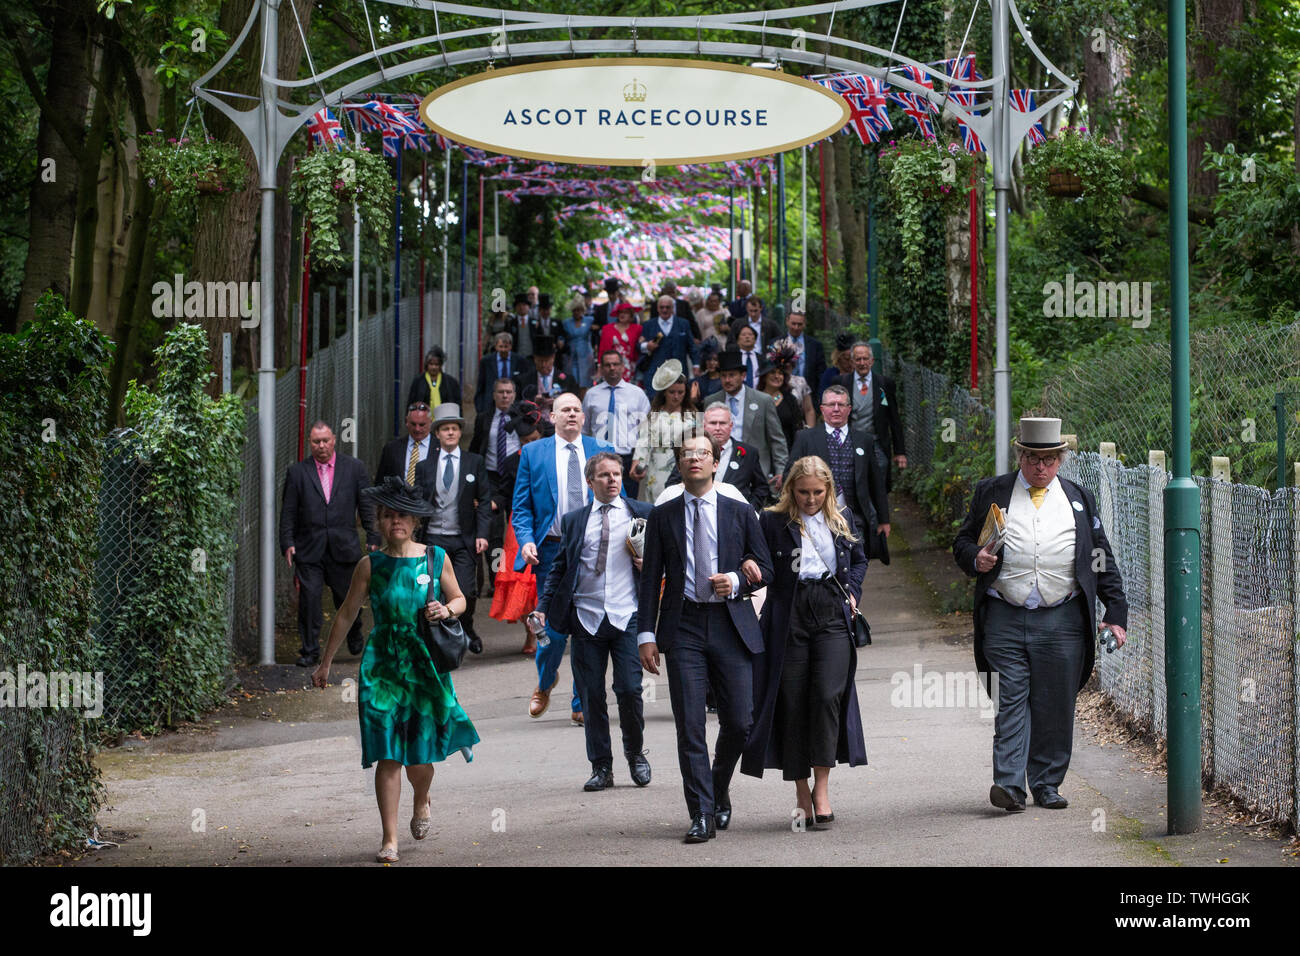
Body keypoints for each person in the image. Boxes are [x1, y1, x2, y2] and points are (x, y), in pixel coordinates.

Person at [953, 417, 1129, 813]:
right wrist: (974, 559)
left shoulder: (1078, 498)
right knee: (1010, 698)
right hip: (1004, 614)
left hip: (1062, 618)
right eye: (1033, 458)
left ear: (1061, 459)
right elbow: (962, 541)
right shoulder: (992, 492)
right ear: (1020, 455)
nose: (1041, 468)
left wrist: (1115, 612)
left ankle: (1047, 783)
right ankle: (1010, 786)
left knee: (1055, 702)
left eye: (1049, 460)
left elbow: (1099, 558)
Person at [311, 476, 478, 863]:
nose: (394, 522)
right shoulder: (371, 564)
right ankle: (389, 839)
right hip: (382, 666)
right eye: (387, 516)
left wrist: (446, 609)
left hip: (423, 665)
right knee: (387, 752)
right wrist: (326, 661)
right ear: (380, 523)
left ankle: (422, 797)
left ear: (414, 521)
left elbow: (460, 600)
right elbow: (347, 612)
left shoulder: (435, 557)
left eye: (402, 516)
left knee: (419, 758)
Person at [637, 431, 773, 843]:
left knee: (740, 721)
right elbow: (650, 579)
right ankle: (701, 813)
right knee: (690, 725)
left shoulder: (739, 510)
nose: (694, 458)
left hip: (731, 624)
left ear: (716, 463)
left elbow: (765, 566)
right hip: (684, 627)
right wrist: (646, 633)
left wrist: (735, 578)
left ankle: (717, 786)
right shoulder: (663, 515)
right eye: (686, 454)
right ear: (679, 466)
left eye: (703, 453)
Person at [742, 456, 868, 827]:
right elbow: (760, 561)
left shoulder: (840, 516)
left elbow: (859, 559)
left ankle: (823, 787)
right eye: (803, 492)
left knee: (828, 695)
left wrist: (853, 591)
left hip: (830, 608)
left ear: (827, 489)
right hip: (789, 612)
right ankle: (801, 787)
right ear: (790, 490)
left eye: (817, 492)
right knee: (792, 701)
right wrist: (750, 567)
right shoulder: (772, 520)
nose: (810, 499)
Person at [537, 452, 654, 791]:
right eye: (604, 475)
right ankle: (601, 766)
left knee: (630, 689)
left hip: (626, 615)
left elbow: (662, 562)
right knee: (591, 695)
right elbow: (559, 567)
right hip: (585, 617)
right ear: (590, 482)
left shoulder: (641, 513)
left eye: (617, 474)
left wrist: (648, 568)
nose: (613, 479)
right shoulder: (574, 520)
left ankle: (636, 754)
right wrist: (544, 606)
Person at [512, 392, 617, 723]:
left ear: (583, 418)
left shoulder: (602, 450)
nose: (571, 414)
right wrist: (526, 541)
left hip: (592, 548)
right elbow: (522, 506)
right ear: (552, 417)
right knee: (552, 630)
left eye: (576, 410)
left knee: (585, 628)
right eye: (564, 410)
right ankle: (545, 681)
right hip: (551, 550)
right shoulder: (532, 453)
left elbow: (619, 498)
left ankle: (580, 701)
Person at [279, 421, 376, 667]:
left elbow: (366, 506)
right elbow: (288, 511)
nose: (321, 446)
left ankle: (354, 630)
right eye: (315, 442)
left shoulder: (354, 468)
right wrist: (287, 542)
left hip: (343, 548)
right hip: (309, 548)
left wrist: (373, 537)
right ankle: (310, 650)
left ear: (334, 440)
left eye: (325, 441)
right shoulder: (298, 473)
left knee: (347, 597)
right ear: (310, 443)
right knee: (310, 600)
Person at [414, 404, 491, 656]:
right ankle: (440, 636)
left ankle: (466, 628)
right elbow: (418, 502)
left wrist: (481, 534)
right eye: (445, 429)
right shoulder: (425, 466)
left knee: (467, 590)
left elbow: (484, 501)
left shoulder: (474, 462)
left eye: (454, 429)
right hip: (433, 538)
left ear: (460, 433)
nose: (449, 433)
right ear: (437, 434)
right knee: (432, 590)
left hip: (463, 538)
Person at [785, 384, 890, 546]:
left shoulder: (864, 440)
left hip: (856, 518)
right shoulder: (805, 438)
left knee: (858, 566)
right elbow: (789, 478)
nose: (836, 409)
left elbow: (876, 482)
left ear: (849, 409)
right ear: (822, 408)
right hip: (816, 517)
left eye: (841, 405)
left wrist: (884, 519)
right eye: (830, 405)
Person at [489, 403, 551, 655]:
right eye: (525, 441)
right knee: (523, 581)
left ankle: (547, 632)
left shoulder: (553, 455)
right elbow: (504, 491)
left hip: (548, 519)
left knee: (545, 579)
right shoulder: (512, 462)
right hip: (520, 524)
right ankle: (532, 635)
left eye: (534, 440)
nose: (529, 445)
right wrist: (492, 503)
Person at [703, 350, 788, 491]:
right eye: (723, 376)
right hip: (719, 470)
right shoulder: (710, 400)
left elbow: (777, 439)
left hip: (756, 471)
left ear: (743, 375)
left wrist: (781, 471)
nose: (727, 380)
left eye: (732, 375)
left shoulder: (763, 400)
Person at [664, 403, 771, 511]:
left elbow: (761, 487)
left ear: (731, 425)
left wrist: (749, 508)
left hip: (735, 514)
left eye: (723, 423)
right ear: (704, 426)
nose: (718, 428)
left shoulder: (748, 452)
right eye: (713, 423)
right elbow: (672, 483)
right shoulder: (691, 449)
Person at [469, 377, 518, 596]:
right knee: (494, 533)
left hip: (517, 479)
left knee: (516, 531)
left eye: (508, 392)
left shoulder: (520, 418)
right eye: (501, 392)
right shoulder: (484, 419)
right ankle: (497, 580)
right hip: (491, 478)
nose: (505, 396)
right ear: (494, 395)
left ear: (514, 395)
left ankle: (517, 578)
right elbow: (475, 447)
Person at [834, 342, 907, 489]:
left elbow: (894, 419)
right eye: (858, 359)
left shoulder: (885, 384)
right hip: (849, 443)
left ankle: (878, 511)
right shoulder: (841, 383)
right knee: (850, 483)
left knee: (878, 484)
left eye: (865, 359)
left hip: (877, 443)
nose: (862, 363)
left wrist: (900, 452)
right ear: (852, 361)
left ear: (872, 361)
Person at [582, 349, 651, 497]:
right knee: (600, 501)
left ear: (622, 366)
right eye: (607, 365)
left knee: (628, 506)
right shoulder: (591, 395)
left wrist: (640, 460)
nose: (612, 368)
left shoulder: (637, 394)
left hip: (628, 459)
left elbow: (646, 431)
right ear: (601, 368)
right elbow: (584, 429)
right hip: (598, 457)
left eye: (615, 364)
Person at [630, 359, 696, 504]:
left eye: (681, 392)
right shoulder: (654, 415)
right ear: (664, 392)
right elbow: (644, 442)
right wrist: (638, 463)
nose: (676, 396)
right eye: (672, 392)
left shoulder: (693, 416)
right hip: (656, 468)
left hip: (684, 467)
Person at [639, 295, 699, 393]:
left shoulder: (683, 324)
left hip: (679, 372)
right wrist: (647, 346)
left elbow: (691, 346)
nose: (665, 310)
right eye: (662, 307)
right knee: (655, 403)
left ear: (672, 308)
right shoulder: (648, 325)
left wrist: (696, 364)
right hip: (655, 373)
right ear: (657, 308)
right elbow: (638, 346)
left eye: (668, 307)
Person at [514, 335, 578, 419]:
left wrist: (558, 403)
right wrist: (532, 402)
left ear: (553, 358)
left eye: (547, 360)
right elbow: (516, 405)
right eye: (540, 361)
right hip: (532, 425)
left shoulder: (567, 380)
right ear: (534, 359)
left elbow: (575, 404)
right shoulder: (522, 380)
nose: (544, 365)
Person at [375, 402, 434, 487]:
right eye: (413, 424)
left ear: (430, 422)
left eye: (422, 425)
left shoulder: (440, 447)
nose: (417, 429)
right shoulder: (392, 449)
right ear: (407, 422)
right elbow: (380, 483)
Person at [475, 332, 532, 415]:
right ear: (495, 346)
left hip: (514, 405)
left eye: (506, 347)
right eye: (501, 347)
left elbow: (525, 385)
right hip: (490, 405)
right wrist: (480, 409)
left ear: (511, 346)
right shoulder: (486, 361)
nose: (503, 350)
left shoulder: (520, 361)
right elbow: (481, 386)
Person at [766, 339, 817, 430]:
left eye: (788, 365)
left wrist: (810, 432)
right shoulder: (772, 382)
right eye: (782, 366)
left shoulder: (800, 382)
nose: (785, 368)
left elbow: (809, 410)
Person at [757, 360, 803, 452]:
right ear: (764, 377)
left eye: (780, 373)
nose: (777, 376)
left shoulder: (790, 400)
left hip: (786, 451)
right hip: (761, 452)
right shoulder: (755, 398)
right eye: (772, 372)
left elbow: (797, 429)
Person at [783, 311, 827, 403]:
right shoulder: (777, 343)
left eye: (800, 324)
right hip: (782, 396)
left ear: (805, 324)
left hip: (809, 396)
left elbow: (821, 373)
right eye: (793, 324)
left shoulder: (815, 346)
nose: (796, 327)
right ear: (787, 322)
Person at [598, 301, 643, 381]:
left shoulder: (638, 329)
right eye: (620, 312)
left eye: (626, 312)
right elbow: (602, 349)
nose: (622, 314)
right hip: (611, 365)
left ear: (631, 315)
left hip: (630, 366)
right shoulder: (607, 328)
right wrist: (599, 366)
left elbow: (640, 346)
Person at [563, 295, 596, 390]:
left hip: (586, 354)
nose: (577, 312)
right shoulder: (566, 323)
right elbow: (562, 335)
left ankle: (584, 403)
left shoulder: (590, 320)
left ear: (583, 310)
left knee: (585, 382)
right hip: (571, 356)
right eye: (575, 310)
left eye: (579, 310)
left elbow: (597, 331)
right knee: (572, 380)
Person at [819, 331, 855, 399]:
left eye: (853, 359)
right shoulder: (829, 374)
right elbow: (823, 398)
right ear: (838, 358)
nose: (850, 363)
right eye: (846, 359)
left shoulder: (859, 374)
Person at [690, 341, 722, 407]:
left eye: (715, 360)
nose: (711, 363)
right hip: (701, 415)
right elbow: (690, 409)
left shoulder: (725, 382)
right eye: (708, 359)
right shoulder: (697, 382)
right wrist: (693, 401)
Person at [733, 325, 763, 389]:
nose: (747, 337)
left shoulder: (761, 358)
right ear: (738, 341)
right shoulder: (733, 358)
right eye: (743, 335)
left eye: (750, 334)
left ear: (755, 340)